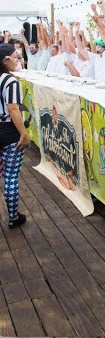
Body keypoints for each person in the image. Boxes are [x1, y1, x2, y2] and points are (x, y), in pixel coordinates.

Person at [0, 43, 30, 228]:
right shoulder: (10, 81)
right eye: (15, 56)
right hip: (9, 131)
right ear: (5, 60)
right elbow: (13, 108)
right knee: (11, 176)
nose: (18, 60)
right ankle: (13, 216)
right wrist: (24, 133)